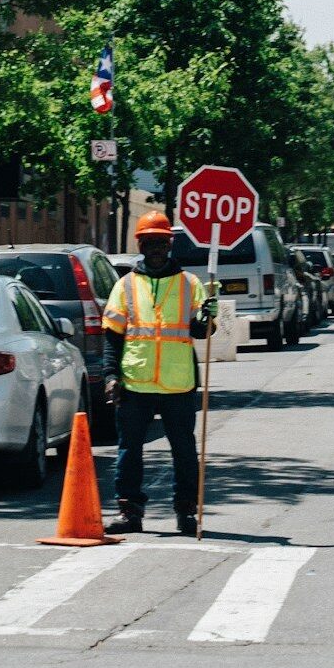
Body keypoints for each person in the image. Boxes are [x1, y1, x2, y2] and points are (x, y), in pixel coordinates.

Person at [100, 211, 217, 535]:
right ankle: (130, 512)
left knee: (184, 451)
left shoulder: (190, 284)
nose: (155, 248)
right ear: (139, 245)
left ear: (170, 244)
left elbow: (202, 331)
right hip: (135, 381)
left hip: (178, 383)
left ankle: (186, 512)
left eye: (161, 242)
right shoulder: (125, 285)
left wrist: (208, 316)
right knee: (129, 451)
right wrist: (111, 376)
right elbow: (112, 337)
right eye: (149, 242)